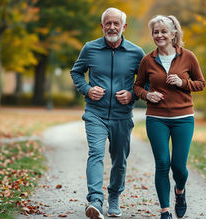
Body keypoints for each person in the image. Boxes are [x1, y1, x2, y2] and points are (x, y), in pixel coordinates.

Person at [70, 7, 145, 219]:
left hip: (122, 116)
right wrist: (87, 89)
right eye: (108, 23)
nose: (112, 27)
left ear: (124, 27)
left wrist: (132, 95)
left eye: (116, 23)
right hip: (95, 113)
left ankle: (114, 197)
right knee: (95, 152)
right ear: (102, 26)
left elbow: (144, 82)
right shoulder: (90, 48)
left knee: (120, 159)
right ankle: (95, 200)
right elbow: (76, 72)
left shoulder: (136, 53)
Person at [133, 15, 205, 219]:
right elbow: (137, 86)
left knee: (179, 167)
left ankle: (180, 192)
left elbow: (201, 83)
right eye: (155, 32)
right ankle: (165, 210)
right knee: (162, 163)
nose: (159, 35)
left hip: (183, 118)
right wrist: (147, 95)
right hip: (156, 118)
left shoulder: (188, 56)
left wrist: (183, 84)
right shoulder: (148, 59)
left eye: (163, 31)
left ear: (173, 34)